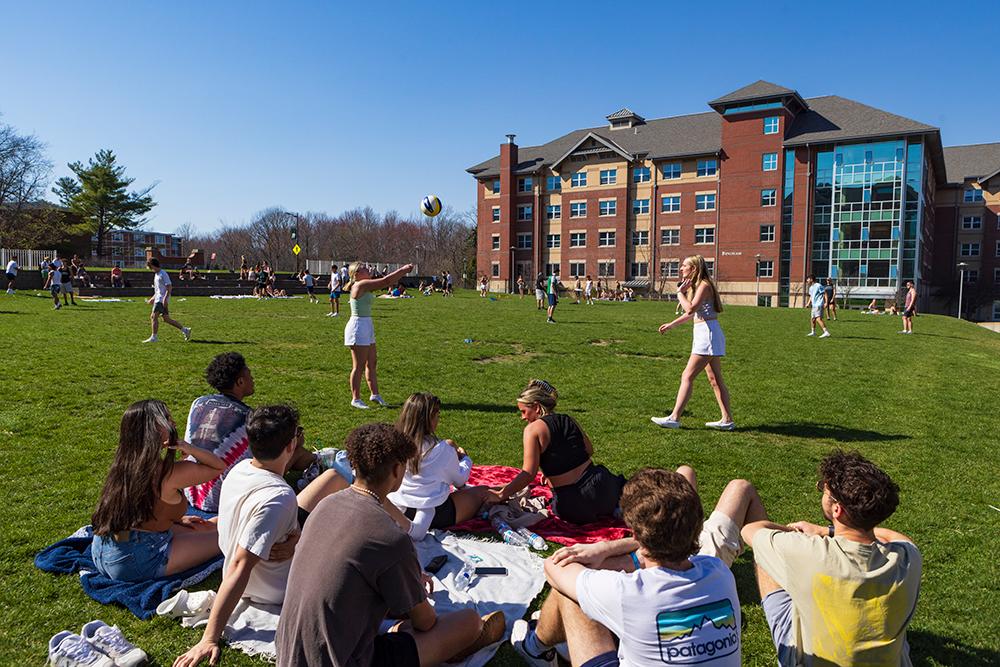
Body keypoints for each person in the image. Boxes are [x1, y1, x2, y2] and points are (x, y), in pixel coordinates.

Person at [276, 423, 505, 667]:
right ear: (397, 470)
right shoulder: (390, 537)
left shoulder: (326, 505)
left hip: (291, 651)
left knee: (395, 615)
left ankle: (398, 630)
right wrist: (413, 585)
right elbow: (425, 622)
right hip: (346, 659)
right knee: (468, 621)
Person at [514, 466, 767, 667]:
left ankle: (534, 648)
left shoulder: (626, 591)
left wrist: (601, 548)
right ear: (697, 527)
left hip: (628, 586)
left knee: (570, 593)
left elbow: (555, 567)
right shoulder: (719, 572)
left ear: (635, 534)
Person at [173, 405, 348, 667]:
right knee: (349, 542)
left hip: (270, 563)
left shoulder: (241, 468)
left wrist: (295, 540)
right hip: (274, 588)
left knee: (335, 478)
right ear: (291, 445)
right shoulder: (279, 498)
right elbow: (240, 566)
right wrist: (209, 638)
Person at [741, 450, 921, 667]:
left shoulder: (809, 552)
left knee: (766, 557)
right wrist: (826, 531)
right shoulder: (908, 558)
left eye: (823, 490)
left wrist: (796, 533)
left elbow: (751, 530)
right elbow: (896, 537)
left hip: (806, 661)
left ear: (837, 509)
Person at [90, 400, 225, 582]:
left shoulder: (124, 465)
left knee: (208, 525)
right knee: (230, 535)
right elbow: (217, 467)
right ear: (153, 429)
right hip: (137, 560)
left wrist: (177, 520)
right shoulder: (168, 473)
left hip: (103, 550)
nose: (174, 423)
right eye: (168, 419)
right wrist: (189, 448)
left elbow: (136, 508)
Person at [182, 352, 317, 512]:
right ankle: (318, 464)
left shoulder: (198, 403)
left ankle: (315, 464)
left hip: (189, 487)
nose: (253, 379)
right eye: (250, 375)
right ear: (240, 382)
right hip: (221, 497)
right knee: (293, 451)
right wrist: (295, 442)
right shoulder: (248, 417)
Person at [495, 380, 624, 525]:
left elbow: (528, 474)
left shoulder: (532, 430)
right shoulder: (569, 420)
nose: (523, 417)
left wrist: (502, 494)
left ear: (537, 407)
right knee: (617, 483)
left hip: (573, 503)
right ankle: (615, 507)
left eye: (524, 411)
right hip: (603, 488)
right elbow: (589, 450)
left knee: (563, 505)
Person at [386, 393, 492, 540]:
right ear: (429, 419)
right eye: (437, 415)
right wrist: (465, 459)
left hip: (397, 506)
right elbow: (460, 481)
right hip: (437, 509)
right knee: (482, 492)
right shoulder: (441, 450)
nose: (439, 420)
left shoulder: (393, 444)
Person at [652, 255, 735, 430]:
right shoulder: (698, 286)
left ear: (694, 269)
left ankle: (674, 418)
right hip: (706, 333)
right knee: (714, 379)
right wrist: (672, 324)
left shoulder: (704, 285)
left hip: (707, 335)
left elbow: (690, 308)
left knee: (687, 376)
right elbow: (692, 314)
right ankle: (727, 420)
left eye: (684, 266)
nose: (681, 269)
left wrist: (679, 293)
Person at [345, 262, 414, 409]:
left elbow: (383, 280)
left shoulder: (365, 283)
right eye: (363, 268)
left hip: (366, 325)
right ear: (356, 274)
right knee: (358, 366)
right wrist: (403, 270)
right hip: (358, 327)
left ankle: (375, 394)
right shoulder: (360, 284)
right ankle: (355, 399)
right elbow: (386, 281)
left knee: (372, 362)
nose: (367, 268)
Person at [144, 258, 191, 343]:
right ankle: (185, 330)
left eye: (150, 267)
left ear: (153, 265)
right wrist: (152, 298)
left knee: (153, 317)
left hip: (161, 300)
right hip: (159, 299)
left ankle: (154, 337)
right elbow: (158, 290)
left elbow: (169, 286)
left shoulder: (163, 273)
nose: (150, 269)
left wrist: (165, 298)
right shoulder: (156, 275)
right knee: (166, 319)